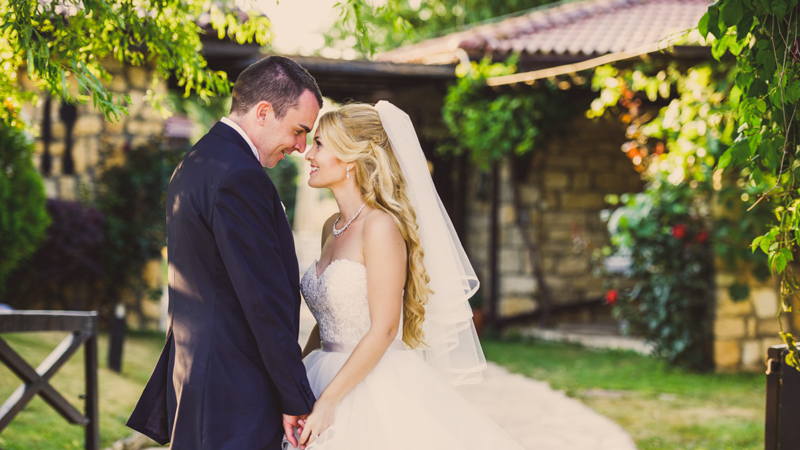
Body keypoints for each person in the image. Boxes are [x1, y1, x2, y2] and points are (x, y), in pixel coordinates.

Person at [289, 102, 524, 449]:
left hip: (370, 387)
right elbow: (327, 322)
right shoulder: (331, 227)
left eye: (319, 144)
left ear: (351, 157)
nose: (308, 154)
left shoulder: (380, 226)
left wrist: (328, 403)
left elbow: (384, 328)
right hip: (321, 373)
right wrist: (297, 382)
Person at [127, 56, 322, 449]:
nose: (301, 147)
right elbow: (263, 301)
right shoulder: (240, 176)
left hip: (202, 380)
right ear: (263, 112)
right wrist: (295, 398)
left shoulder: (199, 161)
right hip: (234, 394)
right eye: (299, 130)